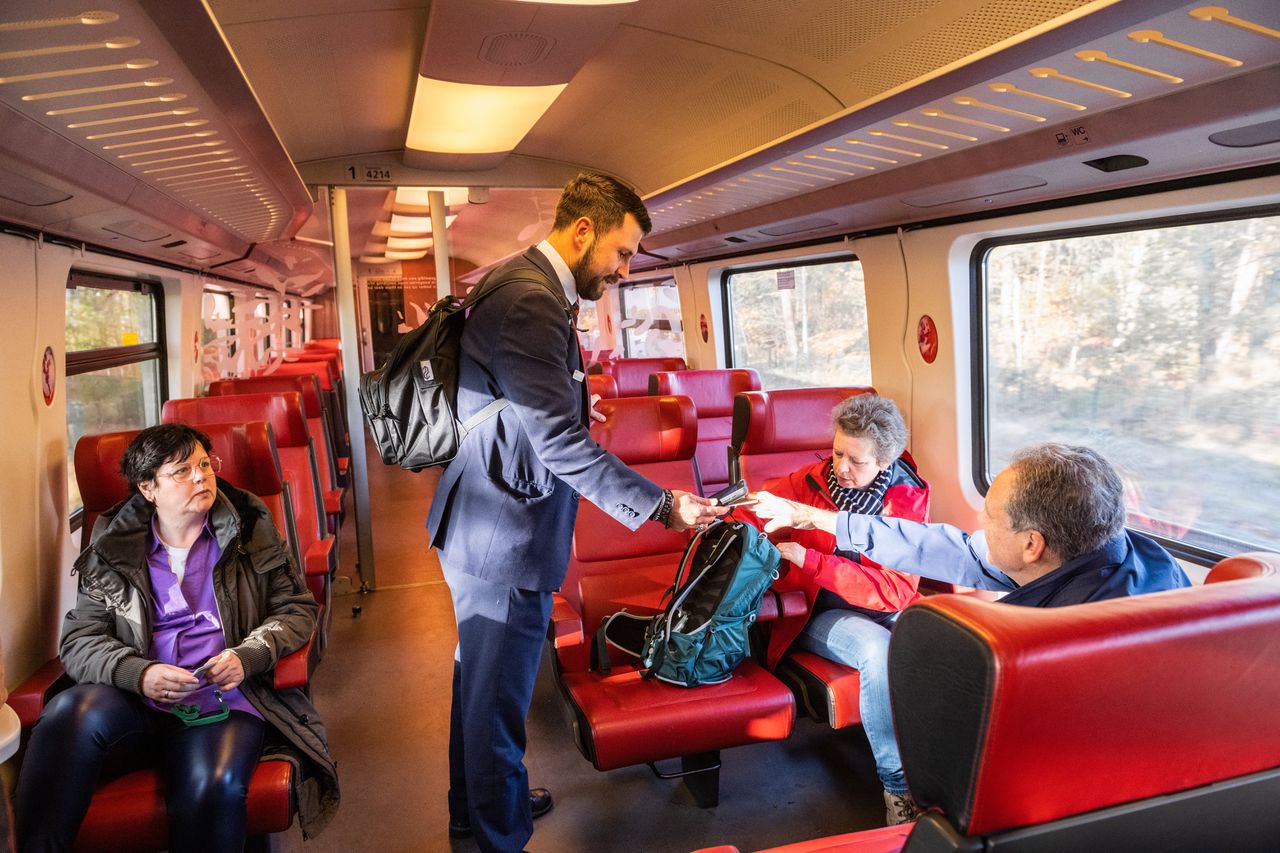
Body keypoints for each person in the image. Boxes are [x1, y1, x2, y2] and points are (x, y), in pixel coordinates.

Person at [426, 173, 724, 853]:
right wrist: (661, 504)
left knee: (481, 686)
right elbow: (556, 445)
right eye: (623, 253)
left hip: (491, 521)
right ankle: (498, 836)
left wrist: (567, 404)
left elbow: (531, 412)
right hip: (501, 534)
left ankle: (479, 806)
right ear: (583, 230)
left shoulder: (525, 288)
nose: (625, 270)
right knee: (495, 699)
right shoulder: (531, 300)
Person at [753, 442, 1190, 821]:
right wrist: (817, 518)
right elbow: (946, 548)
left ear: (1031, 544)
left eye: (992, 515)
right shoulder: (1142, 559)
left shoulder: (1037, 642)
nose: (979, 516)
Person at [15, 424, 339, 851]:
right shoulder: (115, 544)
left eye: (205, 464)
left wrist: (249, 653)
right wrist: (139, 673)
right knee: (69, 713)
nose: (201, 477)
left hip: (223, 699)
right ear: (148, 487)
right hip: (136, 699)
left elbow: (294, 608)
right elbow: (81, 639)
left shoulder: (248, 524)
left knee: (212, 787)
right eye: (182, 471)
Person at [737, 394, 930, 824]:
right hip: (817, 612)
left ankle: (944, 772)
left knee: (945, 641)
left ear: (885, 462)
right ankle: (897, 788)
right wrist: (720, 515)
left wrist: (811, 559)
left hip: (883, 604)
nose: (840, 467)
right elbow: (748, 515)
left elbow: (895, 592)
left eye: (855, 460)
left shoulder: (906, 499)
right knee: (877, 652)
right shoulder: (809, 483)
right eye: (837, 452)